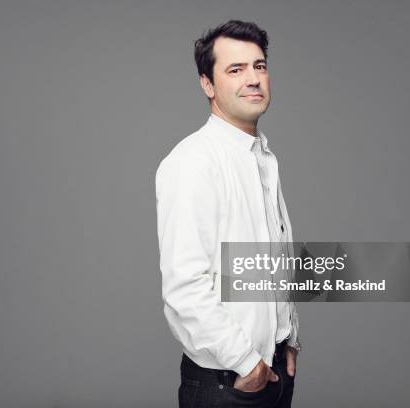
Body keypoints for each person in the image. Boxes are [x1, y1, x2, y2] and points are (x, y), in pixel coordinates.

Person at [155, 20, 301, 407]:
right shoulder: (192, 162)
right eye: (235, 70)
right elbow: (185, 288)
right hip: (229, 385)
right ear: (208, 84)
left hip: (273, 376)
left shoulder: (263, 158)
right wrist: (247, 363)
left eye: (259, 66)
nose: (253, 79)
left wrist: (289, 338)